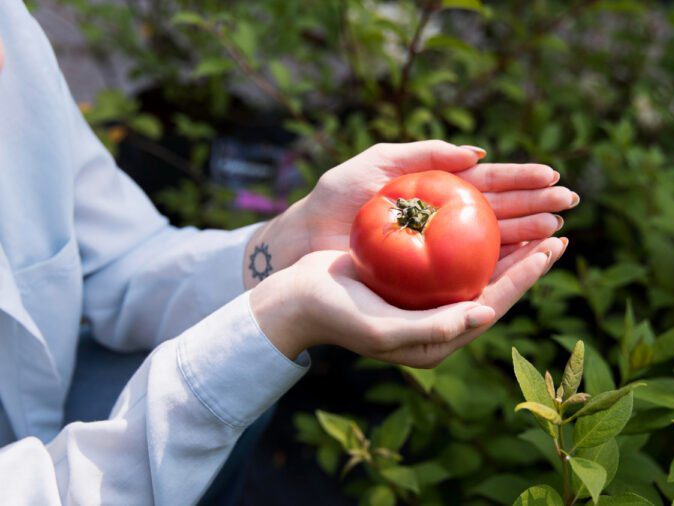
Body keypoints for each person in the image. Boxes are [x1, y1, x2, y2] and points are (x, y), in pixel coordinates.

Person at [0, 2, 576, 503]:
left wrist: (292, 240)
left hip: (56, 400)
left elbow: (118, 258)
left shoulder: (13, 34)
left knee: (247, 402)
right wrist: (273, 323)